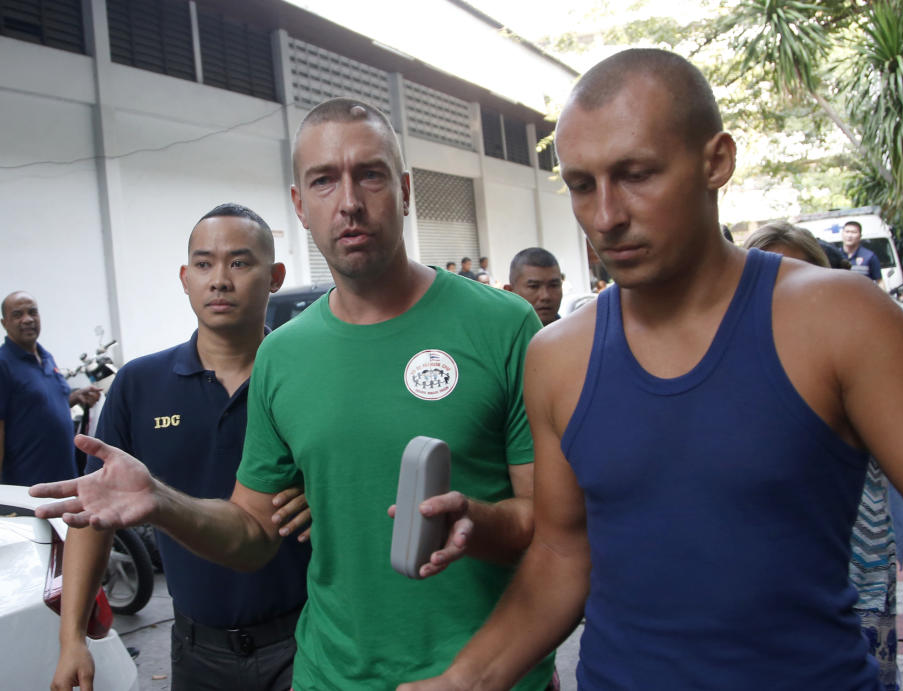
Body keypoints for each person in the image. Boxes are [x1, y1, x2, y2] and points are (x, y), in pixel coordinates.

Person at [397, 48, 903, 691]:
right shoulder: (558, 357)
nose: (606, 216)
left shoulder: (838, 320)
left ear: (716, 161)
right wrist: (464, 679)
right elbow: (561, 553)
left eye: (636, 174)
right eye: (582, 185)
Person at [33, 99, 553, 690]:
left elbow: (552, 527)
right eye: (325, 181)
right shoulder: (283, 356)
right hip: (327, 675)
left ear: (405, 190)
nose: (350, 202)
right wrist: (159, 500)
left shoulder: (503, 326)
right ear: (301, 206)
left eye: (371, 174)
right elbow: (254, 534)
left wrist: (477, 524)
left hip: (490, 677)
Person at [50, 204, 312, 691]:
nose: (219, 280)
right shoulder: (139, 385)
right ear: (184, 277)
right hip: (196, 652)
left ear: (274, 276)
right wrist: (72, 640)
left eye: (239, 262)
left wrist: (328, 494)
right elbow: (93, 519)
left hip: (307, 641)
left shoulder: (308, 381)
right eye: (204, 264)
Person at [744, 221, 902, 690]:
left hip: (862, 568)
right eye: (772, 277)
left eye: (802, 274)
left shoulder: (859, 351)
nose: (787, 290)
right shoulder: (729, 367)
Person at [0, 291, 100, 486]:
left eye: (32, 312)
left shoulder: (47, 358)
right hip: (26, 486)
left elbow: (37, 403)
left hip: (64, 479)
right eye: (18, 314)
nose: (27, 319)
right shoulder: (3, 364)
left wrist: (76, 397)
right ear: (4, 323)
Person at [504, 248, 563, 326]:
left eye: (553, 285)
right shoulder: (498, 336)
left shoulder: (576, 334)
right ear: (510, 292)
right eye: (534, 286)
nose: (545, 296)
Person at [842, 220, 883, 285]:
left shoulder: (869, 256)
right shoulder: (836, 255)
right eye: (847, 232)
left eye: (854, 232)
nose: (849, 235)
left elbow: (879, 281)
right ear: (842, 234)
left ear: (860, 236)